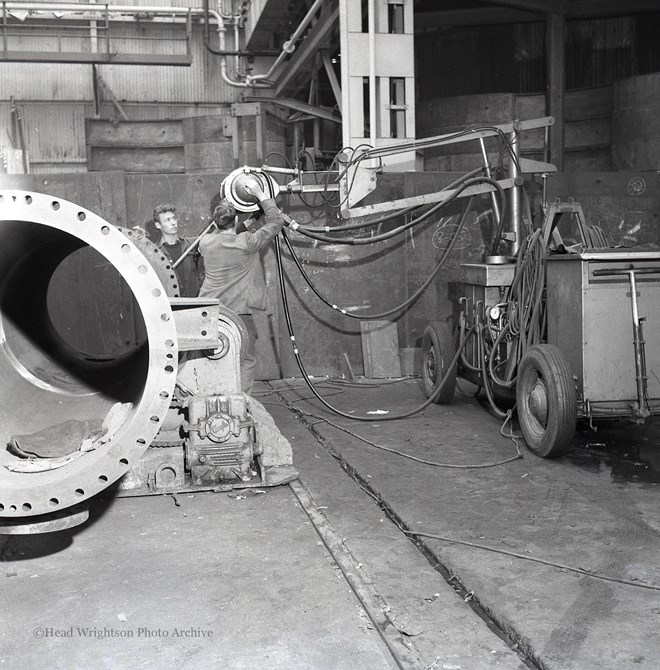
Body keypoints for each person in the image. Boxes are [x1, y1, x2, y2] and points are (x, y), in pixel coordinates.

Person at [198, 180, 285, 395]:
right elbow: (276, 221)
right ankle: (242, 402)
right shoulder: (246, 242)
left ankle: (213, 399)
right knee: (244, 360)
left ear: (215, 223)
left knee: (214, 357)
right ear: (235, 219)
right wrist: (259, 194)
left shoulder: (205, 243)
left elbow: (227, 232)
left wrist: (252, 217)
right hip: (239, 314)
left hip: (211, 313)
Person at [152, 203, 204, 297]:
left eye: (174, 218)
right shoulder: (155, 252)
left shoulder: (191, 245)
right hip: (171, 305)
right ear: (158, 225)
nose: (173, 223)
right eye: (167, 220)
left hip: (193, 304)